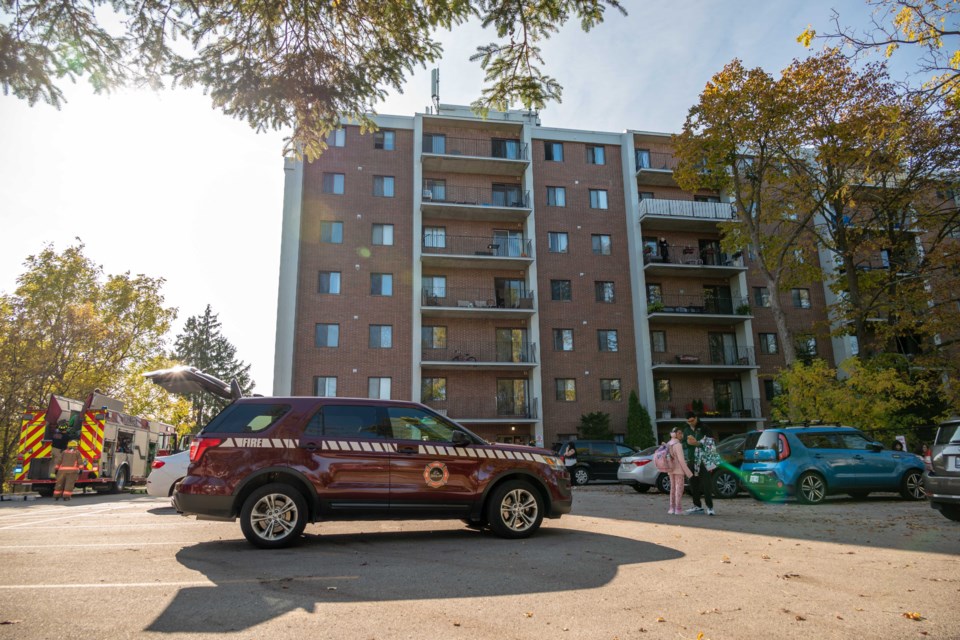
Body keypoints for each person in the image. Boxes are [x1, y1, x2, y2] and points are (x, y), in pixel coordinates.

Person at [682, 411, 715, 515]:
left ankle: (710, 507)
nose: (690, 423)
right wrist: (686, 444)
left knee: (706, 484)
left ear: (696, 418)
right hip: (692, 460)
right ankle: (697, 506)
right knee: (693, 484)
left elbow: (711, 443)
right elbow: (683, 443)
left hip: (703, 460)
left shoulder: (704, 428)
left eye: (692, 421)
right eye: (688, 422)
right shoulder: (686, 430)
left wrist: (698, 443)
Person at [666, 426, 693, 515]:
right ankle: (678, 509)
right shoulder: (678, 445)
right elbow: (681, 460)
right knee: (679, 488)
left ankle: (671, 508)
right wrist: (688, 473)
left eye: (681, 433)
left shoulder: (669, 444)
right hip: (678, 470)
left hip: (670, 469)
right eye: (679, 433)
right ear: (674, 434)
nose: (681, 435)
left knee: (672, 488)